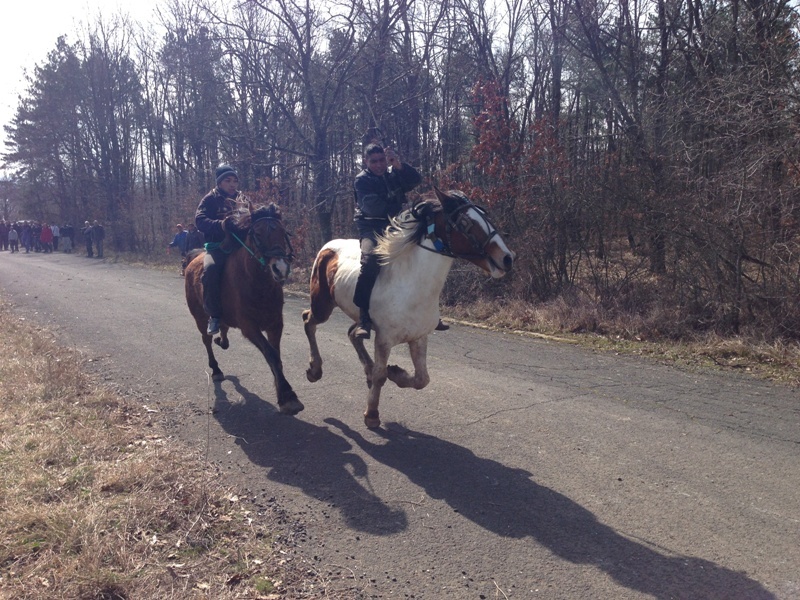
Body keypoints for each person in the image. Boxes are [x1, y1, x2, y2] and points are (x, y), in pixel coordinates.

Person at [352, 143, 423, 339]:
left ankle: (428, 310)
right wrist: (400, 204)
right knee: (369, 262)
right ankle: (363, 318)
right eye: (374, 161)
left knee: (424, 253)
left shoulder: (393, 174)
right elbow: (373, 208)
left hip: (397, 225)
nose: (379, 165)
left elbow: (416, 180)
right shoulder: (362, 180)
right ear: (366, 162)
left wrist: (398, 165)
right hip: (372, 228)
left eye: (382, 160)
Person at [195, 164, 242, 335]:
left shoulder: (241, 198)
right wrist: (221, 225)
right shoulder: (209, 199)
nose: (232, 184)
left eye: (235, 181)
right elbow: (199, 221)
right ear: (219, 182)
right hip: (217, 247)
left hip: (240, 246)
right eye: (228, 181)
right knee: (211, 270)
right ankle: (214, 316)